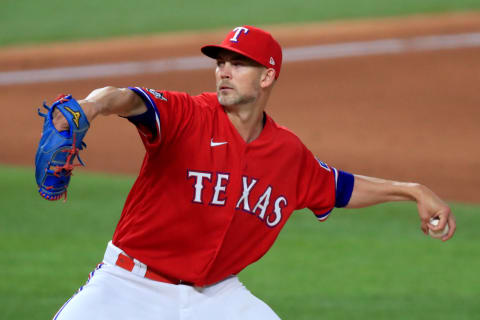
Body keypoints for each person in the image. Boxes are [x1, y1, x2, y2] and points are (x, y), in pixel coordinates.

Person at [50, 25, 456, 320]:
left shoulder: (287, 153)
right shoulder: (187, 114)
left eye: (238, 64)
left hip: (216, 297)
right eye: (221, 62)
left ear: (266, 77)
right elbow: (127, 98)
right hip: (129, 288)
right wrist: (93, 105)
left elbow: (339, 187)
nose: (224, 71)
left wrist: (414, 191)